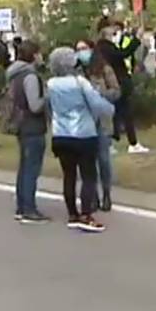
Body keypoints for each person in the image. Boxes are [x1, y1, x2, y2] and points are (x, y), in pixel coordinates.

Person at [46, 47, 115, 233]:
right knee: (88, 176)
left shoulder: (51, 84)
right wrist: (110, 110)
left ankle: (72, 214)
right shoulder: (79, 82)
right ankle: (86, 214)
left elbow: (49, 108)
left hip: (60, 134)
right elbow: (96, 103)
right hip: (83, 133)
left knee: (69, 175)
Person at [5, 40, 50, 224]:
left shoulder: (14, 74)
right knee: (31, 168)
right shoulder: (30, 76)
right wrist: (47, 95)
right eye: (39, 53)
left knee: (24, 166)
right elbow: (35, 105)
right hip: (31, 125)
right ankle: (29, 209)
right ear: (33, 55)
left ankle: (21, 205)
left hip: (20, 124)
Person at [76, 39, 120, 212]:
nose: (81, 52)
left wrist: (101, 94)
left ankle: (107, 193)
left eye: (84, 49)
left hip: (101, 120)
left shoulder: (104, 69)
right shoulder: (76, 72)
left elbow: (116, 91)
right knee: (87, 161)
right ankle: (91, 195)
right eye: (78, 49)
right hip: (83, 121)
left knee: (103, 159)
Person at [96, 18, 148, 154]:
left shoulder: (106, 45)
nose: (114, 30)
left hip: (118, 80)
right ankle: (124, 142)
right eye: (111, 27)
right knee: (120, 112)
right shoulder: (104, 46)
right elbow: (121, 55)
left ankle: (124, 142)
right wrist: (136, 40)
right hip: (117, 81)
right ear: (104, 30)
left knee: (119, 112)